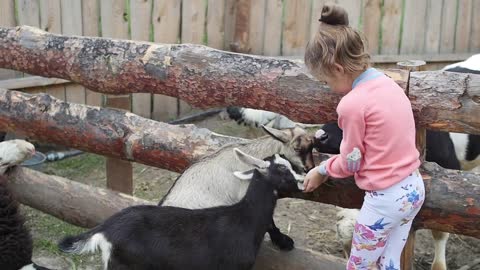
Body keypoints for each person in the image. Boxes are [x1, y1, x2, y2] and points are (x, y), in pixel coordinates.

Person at [302, 3, 425, 270]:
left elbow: (351, 162)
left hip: (385, 201)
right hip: (413, 189)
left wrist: (322, 169)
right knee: (389, 263)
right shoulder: (385, 83)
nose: (330, 89)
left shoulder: (352, 104)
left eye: (326, 82)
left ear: (336, 68)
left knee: (357, 266)